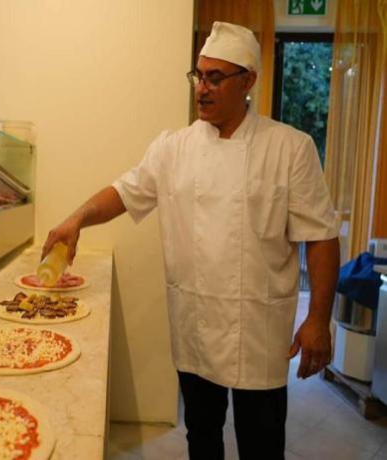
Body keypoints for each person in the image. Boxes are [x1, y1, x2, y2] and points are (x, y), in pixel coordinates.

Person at [41, 21, 340, 460]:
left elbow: (321, 237)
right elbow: (124, 192)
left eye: (216, 77)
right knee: (201, 436)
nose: (202, 88)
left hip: (257, 333)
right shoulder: (172, 147)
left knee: (262, 443)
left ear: (248, 82)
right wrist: (77, 218)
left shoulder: (290, 148)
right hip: (196, 324)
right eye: (199, 75)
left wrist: (318, 319)